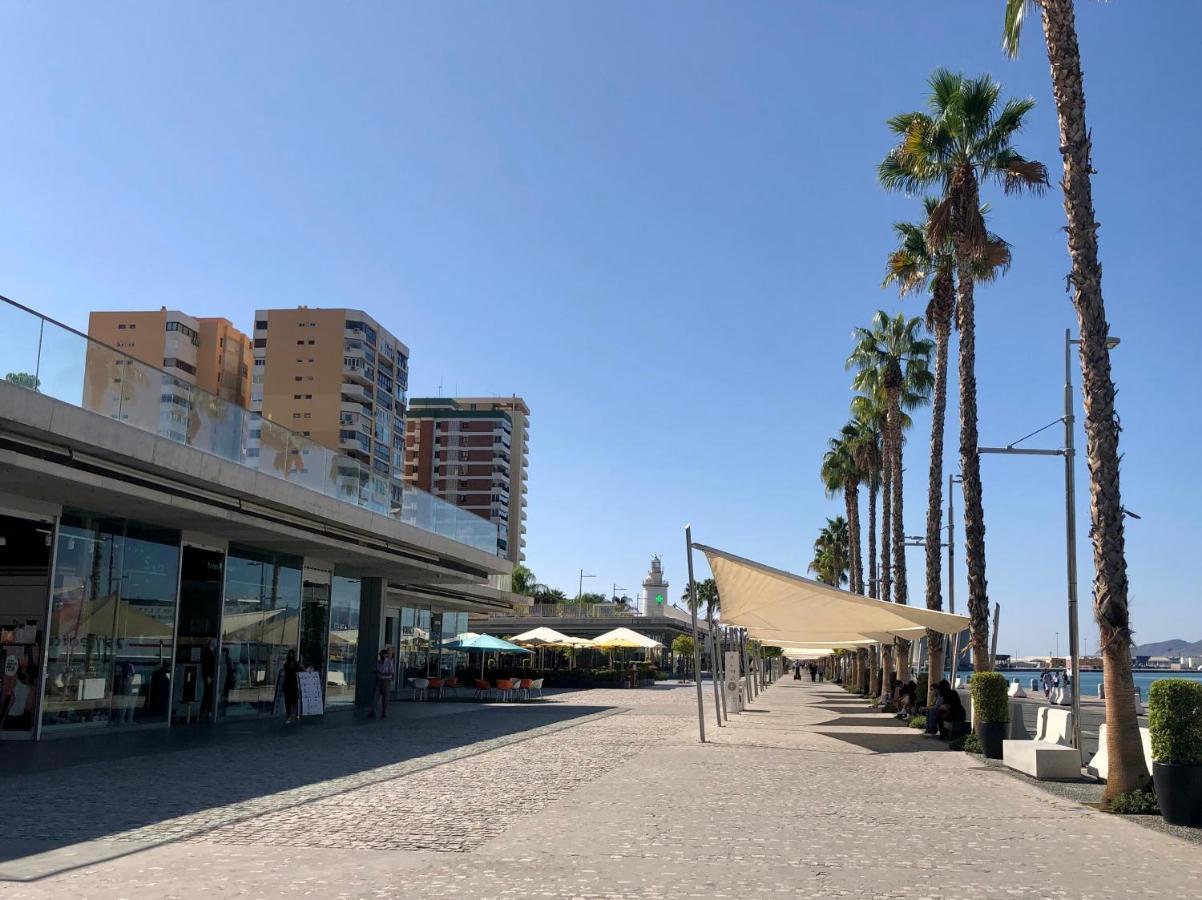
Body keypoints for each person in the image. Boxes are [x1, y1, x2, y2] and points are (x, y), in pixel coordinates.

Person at [369, 648, 395, 719]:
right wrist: (378, 673)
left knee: (385, 698)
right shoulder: (378, 662)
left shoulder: (389, 662)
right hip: (378, 680)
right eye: (380, 655)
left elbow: (391, 673)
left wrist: (383, 674)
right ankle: (372, 711)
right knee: (375, 697)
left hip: (386, 681)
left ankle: (384, 712)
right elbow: (374, 671)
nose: (381, 656)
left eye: (382, 654)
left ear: (385, 655)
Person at [283, 649, 301, 724]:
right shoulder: (291, 665)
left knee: (291, 702)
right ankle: (292, 715)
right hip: (291, 685)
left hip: (290, 685)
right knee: (291, 702)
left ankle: (291, 716)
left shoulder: (288, 665)